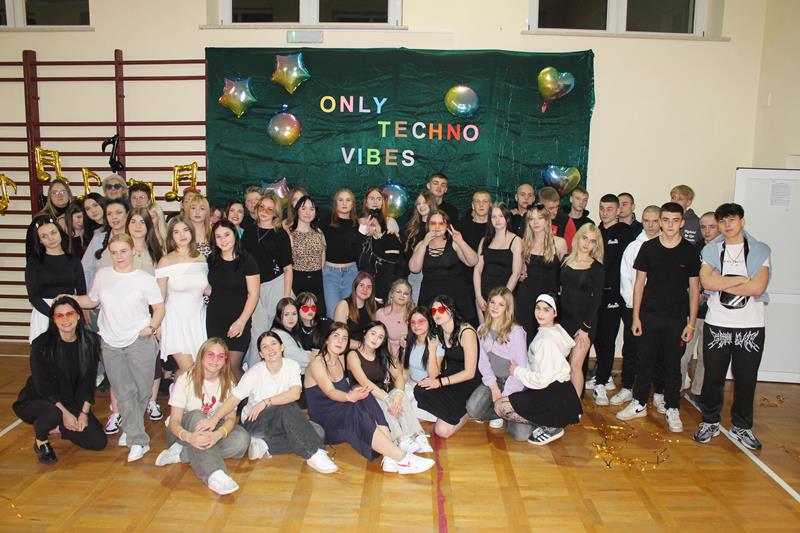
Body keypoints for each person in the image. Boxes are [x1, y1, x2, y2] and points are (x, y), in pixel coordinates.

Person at [69, 234, 165, 462]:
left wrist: (151, 327)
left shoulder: (144, 279)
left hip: (139, 340)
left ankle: (131, 427)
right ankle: (137, 439)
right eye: (114, 252)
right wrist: (68, 298)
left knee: (142, 390)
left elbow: (159, 308)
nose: (119, 256)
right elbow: (92, 300)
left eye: (123, 251)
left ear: (133, 251)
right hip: (111, 342)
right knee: (123, 391)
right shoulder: (103, 275)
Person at [195, 332, 337, 474]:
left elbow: (295, 393)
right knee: (287, 408)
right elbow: (234, 399)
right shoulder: (255, 372)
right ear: (261, 354)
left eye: (274, 344)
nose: (270, 349)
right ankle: (314, 453)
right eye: (265, 347)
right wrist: (215, 418)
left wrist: (266, 402)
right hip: (255, 421)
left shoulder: (291, 366)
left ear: (282, 347)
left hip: (281, 420)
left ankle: (264, 444)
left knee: (318, 432)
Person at [305, 323, 434, 473]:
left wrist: (355, 392)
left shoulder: (340, 358)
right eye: (336, 336)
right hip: (326, 423)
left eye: (344, 338)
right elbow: (330, 391)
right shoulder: (317, 363)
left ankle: (390, 452)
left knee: (366, 395)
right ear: (327, 339)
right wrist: (349, 396)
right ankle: (402, 458)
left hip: (341, 412)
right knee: (354, 409)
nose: (340, 341)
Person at [617, 202, 700, 434]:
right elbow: (638, 284)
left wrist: (691, 323)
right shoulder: (648, 248)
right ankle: (639, 403)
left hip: (676, 318)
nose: (670, 225)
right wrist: (636, 317)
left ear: (682, 223)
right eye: (666, 220)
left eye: (675, 220)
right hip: (649, 315)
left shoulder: (689, 251)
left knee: (672, 364)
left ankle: (672, 407)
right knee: (644, 361)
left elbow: (694, 289)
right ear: (661, 222)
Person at [693, 203, 771, 450]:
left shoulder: (759, 250)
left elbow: (757, 288)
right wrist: (741, 280)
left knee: (746, 379)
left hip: (751, 326)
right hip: (718, 323)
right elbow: (707, 283)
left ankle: (742, 426)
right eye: (723, 221)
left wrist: (722, 282)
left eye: (732, 220)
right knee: (713, 378)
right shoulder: (711, 250)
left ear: (742, 222)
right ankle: (710, 422)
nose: (727, 225)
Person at [13, 296, 107, 464]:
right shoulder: (41, 344)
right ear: (53, 319)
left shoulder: (91, 341)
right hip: (41, 398)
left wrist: (83, 414)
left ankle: (61, 424)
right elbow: (43, 386)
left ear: (78, 315)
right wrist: (65, 413)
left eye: (70, 314)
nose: (65, 319)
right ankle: (41, 441)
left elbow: (88, 381)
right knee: (53, 414)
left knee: (98, 442)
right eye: (59, 315)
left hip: (71, 399)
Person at [154, 338, 249, 495]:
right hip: (181, 434)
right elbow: (174, 421)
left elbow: (231, 419)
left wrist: (217, 435)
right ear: (201, 356)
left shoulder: (228, 383)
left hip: (210, 430)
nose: (215, 360)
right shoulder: (186, 379)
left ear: (225, 360)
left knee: (242, 439)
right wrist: (189, 437)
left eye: (220, 356)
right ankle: (214, 474)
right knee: (198, 415)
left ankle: (182, 454)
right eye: (210, 354)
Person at [494, 293, 582, 445]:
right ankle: (554, 419)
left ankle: (552, 425)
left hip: (551, 394)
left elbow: (542, 380)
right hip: (559, 392)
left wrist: (517, 371)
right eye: (538, 308)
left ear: (555, 312)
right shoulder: (553, 330)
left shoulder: (546, 341)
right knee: (506, 400)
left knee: (500, 407)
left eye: (546, 309)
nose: (540, 313)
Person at [347, 321, 432, 452]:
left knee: (399, 394)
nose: (376, 339)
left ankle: (417, 435)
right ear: (364, 333)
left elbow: (398, 376)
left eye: (380, 337)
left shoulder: (382, 355)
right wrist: (387, 398)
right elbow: (364, 381)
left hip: (382, 394)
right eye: (373, 333)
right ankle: (400, 439)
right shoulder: (353, 355)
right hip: (364, 396)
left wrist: (398, 394)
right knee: (382, 400)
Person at [611, 205, 661, 406]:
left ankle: (658, 391)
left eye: (655, 221)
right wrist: (633, 306)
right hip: (634, 308)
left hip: (657, 309)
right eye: (646, 220)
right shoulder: (633, 247)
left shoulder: (666, 246)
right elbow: (625, 278)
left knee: (656, 351)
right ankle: (627, 387)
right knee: (631, 348)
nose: (650, 225)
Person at [467, 287, 531, 440]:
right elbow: (483, 363)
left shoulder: (516, 332)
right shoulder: (482, 330)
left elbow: (520, 369)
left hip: (514, 384)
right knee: (473, 409)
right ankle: (500, 413)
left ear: (507, 308)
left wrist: (505, 396)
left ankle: (510, 413)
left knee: (521, 435)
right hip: (493, 382)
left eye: (501, 304)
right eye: (492, 302)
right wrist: (494, 388)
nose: (495, 307)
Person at [414, 295, 481, 438]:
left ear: (451, 310)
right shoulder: (439, 331)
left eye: (441, 309)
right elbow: (433, 374)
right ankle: (451, 411)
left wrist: (439, 382)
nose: (436, 314)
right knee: (420, 389)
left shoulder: (466, 331)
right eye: (433, 311)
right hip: (450, 375)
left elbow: (470, 372)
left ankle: (465, 411)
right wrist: (432, 351)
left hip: (469, 379)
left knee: (442, 432)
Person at [590, 194, 633, 405]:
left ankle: (601, 382)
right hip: (594, 294)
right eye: (602, 208)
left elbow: (627, 266)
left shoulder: (625, 232)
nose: (604, 212)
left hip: (614, 295)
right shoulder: (595, 231)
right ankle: (602, 375)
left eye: (609, 209)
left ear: (618, 211)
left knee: (608, 338)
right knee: (596, 336)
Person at [242, 191, 294, 365]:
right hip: (254, 288)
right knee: (257, 333)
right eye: (261, 207)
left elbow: (288, 268)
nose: (264, 211)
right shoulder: (249, 232)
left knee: (279, 332)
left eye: (269, 209)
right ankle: (254, 373)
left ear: (276, 213)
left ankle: (286, 372)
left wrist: (286, 297)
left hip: (276, 285)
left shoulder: (280, 234)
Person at [156, 215, 209, 375]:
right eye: (176, 232)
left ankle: (176, 390)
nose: (182, 235)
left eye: (185, 230)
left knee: (198, 370)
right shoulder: (165, 261)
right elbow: (160, 297)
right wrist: (158, 325)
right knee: (188, 369)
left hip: (199, 320)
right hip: (175, 321)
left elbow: (207, 288)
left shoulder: (201, 257)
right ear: (171, 236)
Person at [207, 219, 260, 380]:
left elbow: (254, 294)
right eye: (218, 236)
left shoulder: (247, 260)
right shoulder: (212, 259)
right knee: (217, 365)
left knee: (232, 366)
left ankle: (246, 397)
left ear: (235, 235)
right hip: (215, 320)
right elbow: (212, 288)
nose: (223, 240)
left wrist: (241, 322)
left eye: (227, 235)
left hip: (238, 320)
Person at [559, 223, 605, 395]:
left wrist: (585, 329)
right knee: (562, 366)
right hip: (563, 322)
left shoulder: (597, 268)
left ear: (596, 245)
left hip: (584, 324)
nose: (587, 243)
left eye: (592, 241)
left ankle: (576, 405)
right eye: (585, 238)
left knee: (575, 366)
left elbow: (597, 301)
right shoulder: (565, 260)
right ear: (578, 237)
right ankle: (563, 401)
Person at [26, 215, 86, 343]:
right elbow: (33, 295)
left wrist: (68, 313)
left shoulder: (74, 260)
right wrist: (53, 314)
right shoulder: (34, 262)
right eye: (44, 236)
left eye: (53, 233)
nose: (50, 238)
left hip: (69, 312)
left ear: (60, 232)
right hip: (44, 312)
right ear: (40, 241)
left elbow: (82, 292)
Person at [411, 211, 478, 323]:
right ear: (428, 225)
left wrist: (461, 242)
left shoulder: (454, 243)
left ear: (447, 225)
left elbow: (473, 261)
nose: (437, 227)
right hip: (429, 295)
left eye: (441, 223)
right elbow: (414, 269)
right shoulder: (421, 244)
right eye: (433, 223)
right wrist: (424, 243)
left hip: (455, 296)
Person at [516, 205, 567, 344]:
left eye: (540, 218)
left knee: (548, 340)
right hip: (527, 296)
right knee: (526, 337)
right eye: (532, 219)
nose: (536, 222)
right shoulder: (523, 243)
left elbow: (565, 274)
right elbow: (518, 269)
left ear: (547, 219)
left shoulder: (560, 243)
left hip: (549, 297)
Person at [682, 211, 720, 399]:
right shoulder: (693, 249)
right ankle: (677, 388)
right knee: (683, 354)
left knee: (705, 355)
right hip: (692, 311)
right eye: (703, 227)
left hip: (714, 313)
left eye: (711, 226)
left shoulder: (724, 250)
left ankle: (698, 392)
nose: (707, 231)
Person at [473, 203, 523, 319]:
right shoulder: (485, 241)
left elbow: (516, 274)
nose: (497, 220)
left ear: (507, 218)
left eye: (501, 216)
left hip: (505, 294)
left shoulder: (516, 241)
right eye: (494, 217)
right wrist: (478, 296)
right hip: (484, 295)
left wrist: (503, 298)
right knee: (484, 329)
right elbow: (477, 270)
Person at [321, 189, 362, 318]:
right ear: (335, 203)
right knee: (332, 314)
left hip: (351, 273)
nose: (344, 203)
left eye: (348, 200)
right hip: (330, 274)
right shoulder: (324, 222)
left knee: (349, 315)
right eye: (341, 200)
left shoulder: (359, 225)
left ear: (353, 204)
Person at [400, 306, 442, 422]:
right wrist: (399, 390)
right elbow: (405, 372)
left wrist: (432, 351)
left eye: (421, 321)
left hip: (428, 389)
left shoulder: (436, 344)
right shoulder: (409, 343)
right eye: (413, 322)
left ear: (429, 321)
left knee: (410, 417)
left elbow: (433, 376)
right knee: (395, 407)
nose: (416, 325)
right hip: (411, 385)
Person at [290, 195, 327, 316]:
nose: (308, 212)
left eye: (312, 209)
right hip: (297, 280)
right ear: (297, 211)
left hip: (317, 280)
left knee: (319, 316)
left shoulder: (319, 232)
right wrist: (289, 289)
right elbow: (286, 264)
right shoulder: (290, 234)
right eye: (304, 208)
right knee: (299, 317)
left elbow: (322, 257)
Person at [357, 209, 403, 304]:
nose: (364, 228)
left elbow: (390, 270)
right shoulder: (366, 241)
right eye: (361, 226)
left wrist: (378, 295)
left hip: (386, 293)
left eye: (366, 225)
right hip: (368, 291)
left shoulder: (390, 238)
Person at [82, 199, 128, 290]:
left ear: (127, 214)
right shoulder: (98, 238)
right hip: (99, 293)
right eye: (109, 214)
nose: (114, 217)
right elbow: (85, 269)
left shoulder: (136, 238)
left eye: (118, 213)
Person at [403, 191, 438, 303]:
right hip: (414, 275)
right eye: (418, 203)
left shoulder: (439, 227)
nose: (421, 206)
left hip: (432, 274)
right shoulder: (411, 226)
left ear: (431, 203)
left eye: (424, 202)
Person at [271, 297, 316, 384]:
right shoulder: (279, 334)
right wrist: (316, 356)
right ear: (279, 316)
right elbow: (300, 358)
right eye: (286, 314)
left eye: (294, 314)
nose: (291, 318)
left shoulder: (290, 332)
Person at [333, 271, 377, 342]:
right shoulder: (343, 305)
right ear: (355, 286)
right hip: (348, 347)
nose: (365, 289)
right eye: (361, 285)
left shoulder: (372, 306)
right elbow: (340, 339)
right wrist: (361, 346)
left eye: (369, 287)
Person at [376, 279, 414, 360]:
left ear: (409, 298)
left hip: (409, 359)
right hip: (384, 358)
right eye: (398, 292)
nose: (402, 295)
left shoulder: (414, 315)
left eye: (406, 293)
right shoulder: (381, 314)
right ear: (392, 294)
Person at [539, 186, 577, 252]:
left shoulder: (566, 220)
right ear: (540, 206)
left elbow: (570, 251)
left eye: (557, 207)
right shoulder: (530, 219)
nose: (555, 212)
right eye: (551, 208)